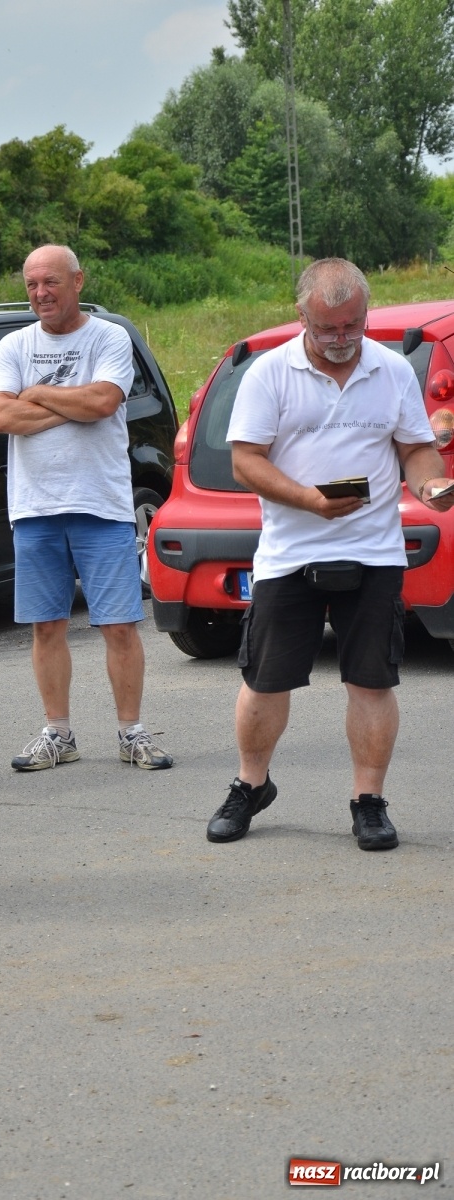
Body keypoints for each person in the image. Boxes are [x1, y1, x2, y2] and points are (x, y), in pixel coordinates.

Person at [206, 256, 454, 851]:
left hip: (373, 549)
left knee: (372, 680)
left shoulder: (392, 370)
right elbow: (246, 461)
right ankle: (250, 785)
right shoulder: (268, 374)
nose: (343, 340)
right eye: (328, 329)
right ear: (302, 317)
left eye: (353, 326)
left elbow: (417, 448)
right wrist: (309, 500)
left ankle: (368, 801)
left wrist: (431, 487)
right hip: (290, 551)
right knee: (266, 681)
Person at [0, 244, 172, 772]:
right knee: (47, 626)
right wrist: (68, 402)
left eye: (51, 282)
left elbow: (103, 404)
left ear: (78, 281)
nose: (41, 294)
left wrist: (37, 394)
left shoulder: (109, 336)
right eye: (31, 285)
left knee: (118, 625)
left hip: (102, 504)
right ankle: (58, 734)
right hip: (35, 506)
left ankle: (132, 732)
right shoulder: (13, 344)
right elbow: (0, 416)